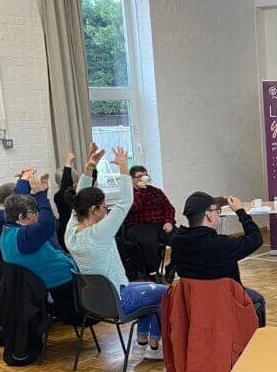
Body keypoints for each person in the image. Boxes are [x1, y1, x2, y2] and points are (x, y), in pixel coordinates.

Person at [66, 146, 170, 360]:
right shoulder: (100, 232)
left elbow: (80, 197)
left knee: (153, 290)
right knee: (165, 293)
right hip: (119, 300)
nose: (107, 210)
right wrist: (123, 165)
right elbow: (126, 201)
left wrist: (90, 166)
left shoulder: (71, 231)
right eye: (104, 207)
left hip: (95, 302)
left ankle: (144, 343)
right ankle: (151, 346)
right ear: (94, 210)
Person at [168, 192, 266, 326]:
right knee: (257, 300)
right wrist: (240, 212)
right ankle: (253, 343)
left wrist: (222, 201)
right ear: (209, 214)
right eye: (217, 211)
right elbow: (256, 238)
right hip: (224, 301)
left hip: (193, 302)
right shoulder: (220, 245)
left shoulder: (177, 241)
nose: (218, 214)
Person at [0, 171, 77, 322]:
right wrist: (41, 194)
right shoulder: (24, 237)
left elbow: (15, 201)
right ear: (21, 217)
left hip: (53, 291)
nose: (38, 215)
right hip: (66, 296)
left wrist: (26, 182)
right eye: (34, 212)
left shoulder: (8, 232)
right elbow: (48, 224)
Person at [123, 165, 176, 279]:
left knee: (180, 238)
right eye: (140, 176)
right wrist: (141, 190)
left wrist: (168, 222)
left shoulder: (156, 191)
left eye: (146, 175)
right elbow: (134, 207)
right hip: (137, 225)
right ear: (132, 179)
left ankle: (173, 265)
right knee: (149, 241)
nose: (144, 178)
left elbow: (169, 208)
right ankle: (152, 273)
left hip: (159, 224)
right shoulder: (128, 194)